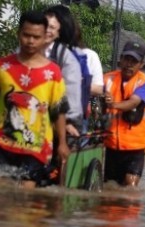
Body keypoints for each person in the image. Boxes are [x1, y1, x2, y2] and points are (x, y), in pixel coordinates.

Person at [0, 11, 70, 188]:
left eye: (36, 37)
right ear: (19, 34)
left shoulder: (54, 74)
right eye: (26, 35)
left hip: (36, 147)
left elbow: (58, 111)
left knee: (25, 200)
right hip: (0, 142)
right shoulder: (1, 66)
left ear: (44, 38)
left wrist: (63, 144)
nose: (31, 41)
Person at [103, 41, 145, 187]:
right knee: (110, 186)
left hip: (135, 147)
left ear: (141, 64)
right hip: (111, 144)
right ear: (120, 59)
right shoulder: (107, 79)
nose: (129, 64)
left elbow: (134, 102)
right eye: (127, 59)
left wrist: (113, 104)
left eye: (134, 61)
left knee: (130, 186)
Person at [44, 5, 83, 137]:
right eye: (44, 25)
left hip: (52, 125)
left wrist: (67, 122)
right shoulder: (23, 51)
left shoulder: (66, 58)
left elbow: (70, 93)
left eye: (52, 27)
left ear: (59, 32)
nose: (46, 31)